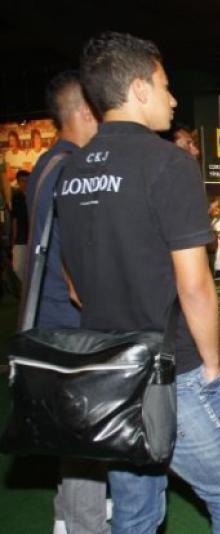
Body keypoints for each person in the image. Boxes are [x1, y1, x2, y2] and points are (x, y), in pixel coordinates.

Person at [55, 32, 220, 533]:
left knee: (136, 512)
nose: (173, 99)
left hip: (109, 370)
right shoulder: (168, 163)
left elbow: (73, 283)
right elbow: (195, 285)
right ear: (139, 89)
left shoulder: (71, 169)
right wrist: (212, 368)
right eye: (166, 87)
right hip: (174, 371)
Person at [22, 70, 108, 534]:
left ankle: (66, 515)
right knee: (87, 431)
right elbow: (79, 275)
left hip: (47, 319)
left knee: (71, 427)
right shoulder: (75, 168)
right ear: (85, 111)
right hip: (72, 319)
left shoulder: (46, 164)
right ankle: (86, 525)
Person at [10, 170, 28, 283]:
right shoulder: (16, 197)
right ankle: (23, 288)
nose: (25, 183)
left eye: (27, 180)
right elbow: (14, 220)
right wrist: (13, 239)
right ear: (18, 182)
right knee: (17, 268)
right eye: (22, 181)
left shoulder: (35, 194)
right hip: (20, 239)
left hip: (33, 237)